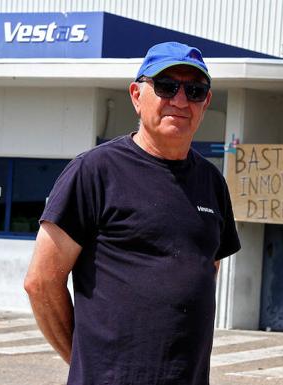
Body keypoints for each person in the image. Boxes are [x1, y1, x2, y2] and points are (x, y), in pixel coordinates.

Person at [24, 41, 241, 385]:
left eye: (195, 90)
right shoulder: (94, 172)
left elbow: (205, 269)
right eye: (167, 86)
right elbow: (41, 282)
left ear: (206, 102)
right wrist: (85, 362)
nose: (181, 101)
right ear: (137, 95)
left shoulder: (212, 183)